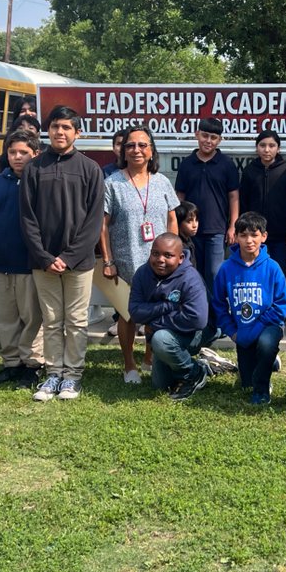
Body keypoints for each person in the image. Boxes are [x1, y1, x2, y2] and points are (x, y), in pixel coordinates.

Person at [20, 105, 105, 401]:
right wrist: (45, 257)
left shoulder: (90, 169)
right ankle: (54, 373)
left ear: (77, 133)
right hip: (42, 262)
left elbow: (94, 221)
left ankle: (72, 375)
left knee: (77, 320)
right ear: (48, 130)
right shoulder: (34, 167)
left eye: (67, 127)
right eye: (55, 126)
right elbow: (27, 218)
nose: (60, 132)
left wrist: (68, 258)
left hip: (79, 262)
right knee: (52, 320)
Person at [100, 126, 179, 383]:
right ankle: (129, 364)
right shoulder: (112, 183)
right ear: (124, 151)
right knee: (128, 314)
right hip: (126, 261)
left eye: (142, 145)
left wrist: (175, 253)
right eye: (131, 145)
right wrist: (108, 260)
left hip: (159, 262)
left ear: (151, 151)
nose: (136, 150)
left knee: (155, 312)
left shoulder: (162, 181)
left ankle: (149, 358)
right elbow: (102, 225)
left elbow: (171, 218)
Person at [0, 129, 45, 389]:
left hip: (29, 264)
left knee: (32, 317)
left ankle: (33, 364)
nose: (17, 157)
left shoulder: (41, 182)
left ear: (35, 154)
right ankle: (11, 363)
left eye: (23, 152)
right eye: (12, 152)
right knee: (5, 318)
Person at [205, 212, 286, 404]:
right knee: (246, 383)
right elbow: (218, 304)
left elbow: (281, 304)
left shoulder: (273, 267)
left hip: (269, 325)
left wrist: (257, 328)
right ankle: (269, 362)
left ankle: (262, 391)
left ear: (264, 237)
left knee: (266, 345)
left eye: (254, 235)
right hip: (241, 330)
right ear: (236, 237)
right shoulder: (226, 268)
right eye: (243, 235)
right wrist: (231, 331)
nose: (249, 240)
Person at [129, 233, 211, 401]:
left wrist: (155, 323)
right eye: (155, 253)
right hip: (170, 331)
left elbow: (197, 319)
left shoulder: (190, 278)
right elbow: (135, 311)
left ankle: (194, 373)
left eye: (168, 255)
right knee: (161, 385)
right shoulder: (142, 273)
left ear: (180, 258)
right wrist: (169, 305)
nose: (160, 259)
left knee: (160, 340)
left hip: (198, 332)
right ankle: (203, 365)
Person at [174, 117, 240, 293]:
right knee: (192, 272)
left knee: (214, 273)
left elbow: (233, 196)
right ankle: (197, 309)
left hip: (217, 230)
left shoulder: (227, 164)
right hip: (189, 230)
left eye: (213, 137)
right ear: (197, 134)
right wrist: (178, 225)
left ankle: (214, 310)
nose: (208, 141)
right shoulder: (187, 164)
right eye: (205, 135)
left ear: (219, 140)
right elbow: (180, 196)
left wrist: (233, 226)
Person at [239, 129, 286, 273]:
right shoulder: (249, 171)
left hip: (279, 234)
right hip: (253, 234)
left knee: (278, 272)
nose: (267, 150)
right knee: (254, 272)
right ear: (256, 148)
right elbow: (243, 202)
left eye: (272, 145)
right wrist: (242, 229)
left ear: (278, 148)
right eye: (262, 145)